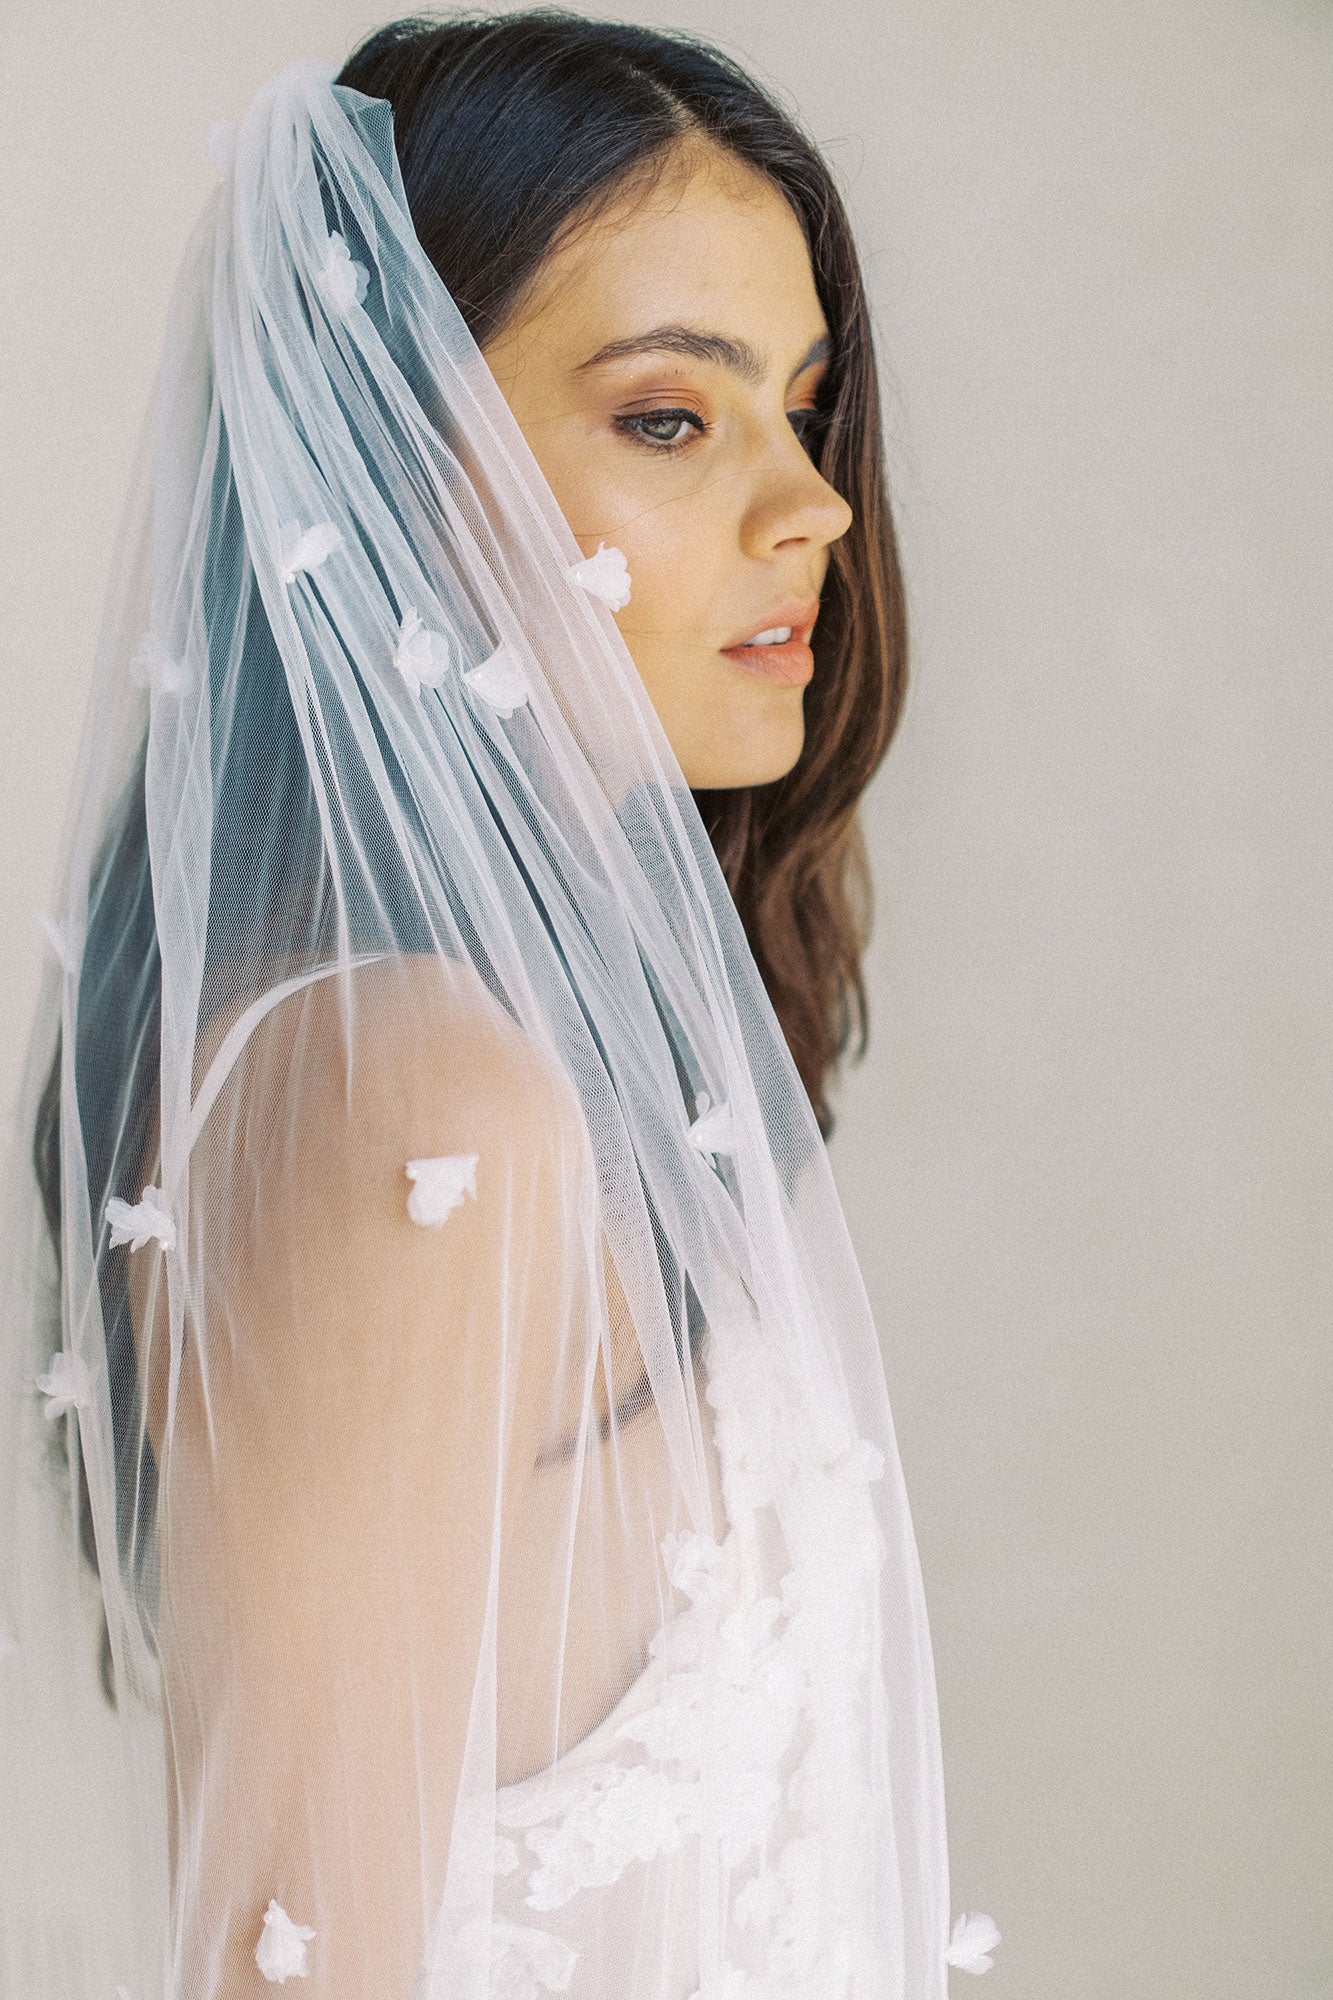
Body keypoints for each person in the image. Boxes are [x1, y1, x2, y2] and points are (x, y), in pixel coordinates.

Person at [0, 14, 999, 1998]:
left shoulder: (572, 1045)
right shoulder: (418, 1108)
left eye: (804, 410)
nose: (808, 503)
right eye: (667, 415)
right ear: (383, 463)